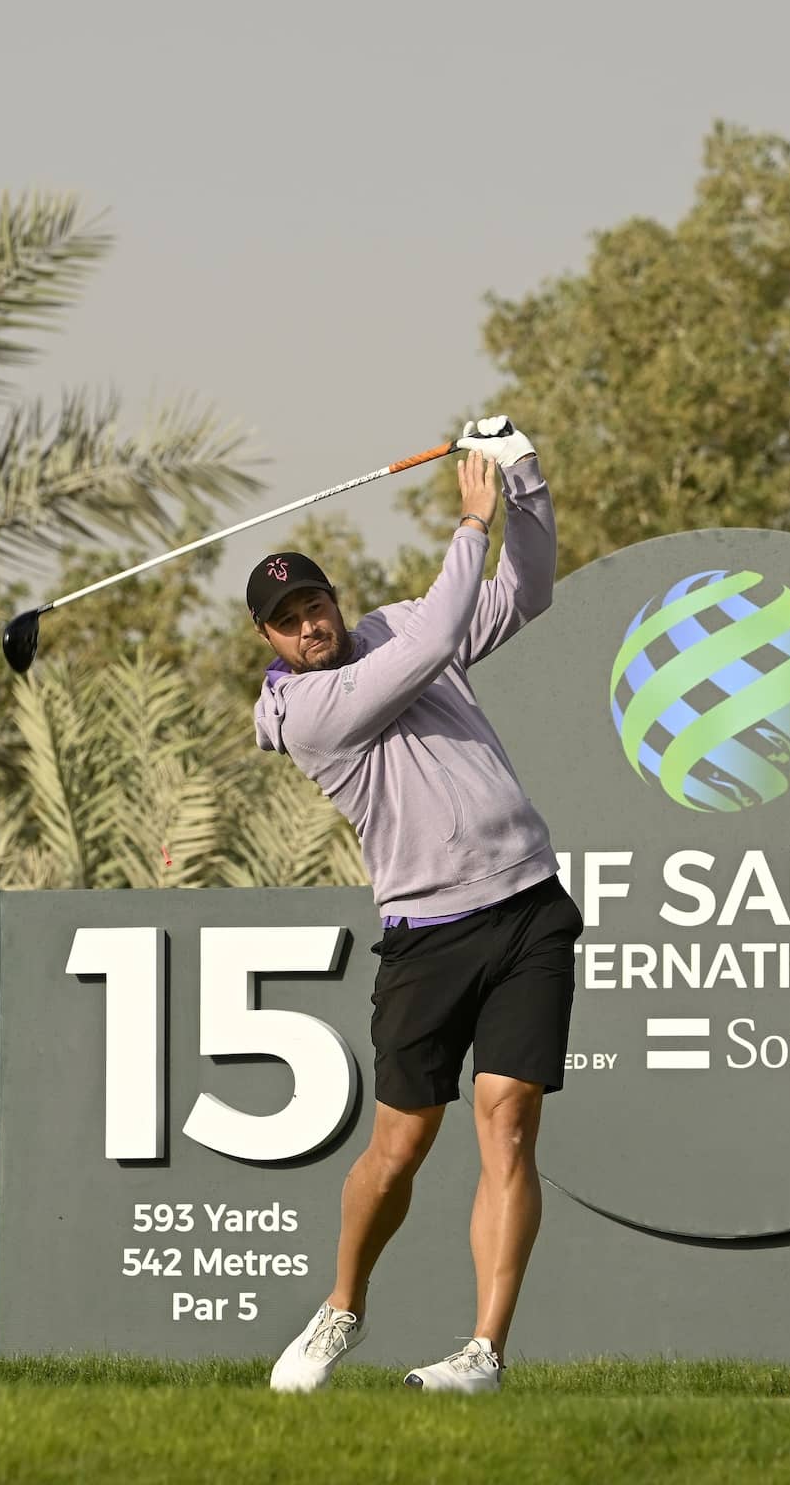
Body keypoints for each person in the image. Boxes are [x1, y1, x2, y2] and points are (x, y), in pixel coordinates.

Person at [249, 416, 578, 1396]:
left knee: (509, 1118)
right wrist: (468, 523)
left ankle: (484, 1352)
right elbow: (441, 626)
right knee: (400, 1144)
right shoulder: (308, 714)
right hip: (427, 937)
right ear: (269, 640)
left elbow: (528, 591)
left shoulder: (392, 624)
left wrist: (522, 481)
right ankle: (343, 1305)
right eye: (290, 617)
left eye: (317, 601)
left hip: (526, 904)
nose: (312, 622)